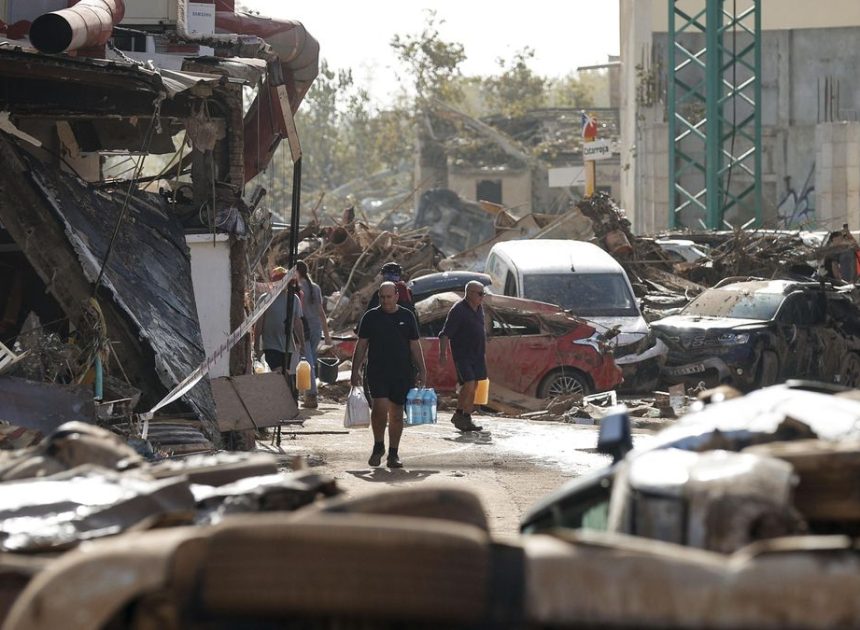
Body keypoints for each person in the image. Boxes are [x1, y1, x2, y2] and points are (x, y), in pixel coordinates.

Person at [351, 281, 426, 469]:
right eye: (382, 297)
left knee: (397, 413)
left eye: (389, 297)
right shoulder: (371, 317)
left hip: (402, 372)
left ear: (396, 296)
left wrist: (423, 370)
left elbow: (415, 346)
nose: (385, 301)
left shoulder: (407, 317)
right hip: (377, 370)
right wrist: (355, 370)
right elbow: (361, 346)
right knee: (379, 408)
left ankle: (393, 453)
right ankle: (378, 446)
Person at [439, 280, 487, 432]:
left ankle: (463, 416)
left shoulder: (479, 308)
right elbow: (445, 334)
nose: (482, 297)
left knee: (475, 386)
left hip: (478, 354)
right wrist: (443, 354)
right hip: (463, 354)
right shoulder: (458, 310)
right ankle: (462, 416)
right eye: (480, 294)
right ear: (470, 293)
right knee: (469, 383)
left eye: (483, 293)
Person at [294, 260, 331, 409]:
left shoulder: (298, 288)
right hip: (316, 328)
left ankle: (311, 395)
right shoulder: (315, 287)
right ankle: (307, 392)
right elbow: (321, 312)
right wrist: (327, 335)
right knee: (310, 360)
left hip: (305, 329)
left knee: (306, 360)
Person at [258, 267, 305, 377]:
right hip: (270, 345)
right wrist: (256, 343)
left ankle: (283, 393)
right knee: (277, 373)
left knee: (284, 374)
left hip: (287, 346)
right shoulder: (265, 299)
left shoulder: (294, 299)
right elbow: (259, 322)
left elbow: (297, 323)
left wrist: (302, 344)